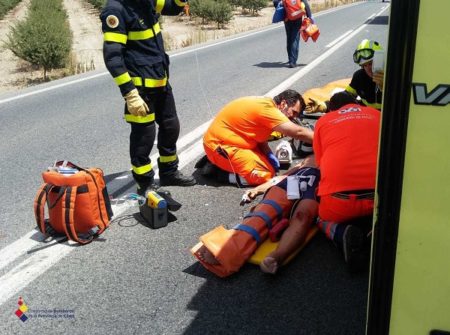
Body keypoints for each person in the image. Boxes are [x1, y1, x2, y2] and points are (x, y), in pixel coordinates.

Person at [101, 0, 196, 196]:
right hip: (139, 88)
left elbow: (173, 8)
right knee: (143, 136)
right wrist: (129, 93)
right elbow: (112, 57)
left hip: (160, 79)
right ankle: (144, 182)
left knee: (171, 126)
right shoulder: (115, 9)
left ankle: (169, 172)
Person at [191, 155, 320, 277]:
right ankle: (230, 248)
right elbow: (280, 178)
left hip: (320, 186)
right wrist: (257, 190)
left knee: (303, 216)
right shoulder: (310, 157)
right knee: (265, 212)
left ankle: (277, 257)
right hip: (293, 182)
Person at [313, 91, 380, 271]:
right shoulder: (377, 114)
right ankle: (379, 227)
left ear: (332, 109)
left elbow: (320, 164)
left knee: (319, 218)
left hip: (340, 203)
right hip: (380, 197)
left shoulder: (323, 121)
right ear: (356, 104)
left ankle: (341, 234)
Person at [201, 90, 314, 186]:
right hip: (220, 147)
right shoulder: (268, 110)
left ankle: (218, 162)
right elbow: (298, 132)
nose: (293, 117)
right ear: (283, 103)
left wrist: (268, 153)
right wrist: (324, 138)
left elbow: (258, 134)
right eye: (293, 112)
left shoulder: (267, 105)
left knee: (270, 168)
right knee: (265, 176)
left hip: (229, 142)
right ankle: (219, 172)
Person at [273, 0, 314, 68]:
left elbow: (275, 2)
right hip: (297, 18)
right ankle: (293, 61)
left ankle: (290, 59)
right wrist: (309, 16)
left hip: (287, 19)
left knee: (289, 38)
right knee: (295, 38)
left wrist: (283, 11)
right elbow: (305, 4)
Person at [346, 39, 384, 110]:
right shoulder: (359, 76)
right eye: (364, 65)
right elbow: (347, 95)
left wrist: (385, 88)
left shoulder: (392, 76)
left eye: (371, 63)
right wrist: (325, 106)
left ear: (381, 61)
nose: (368, 69)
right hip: (367, 116)